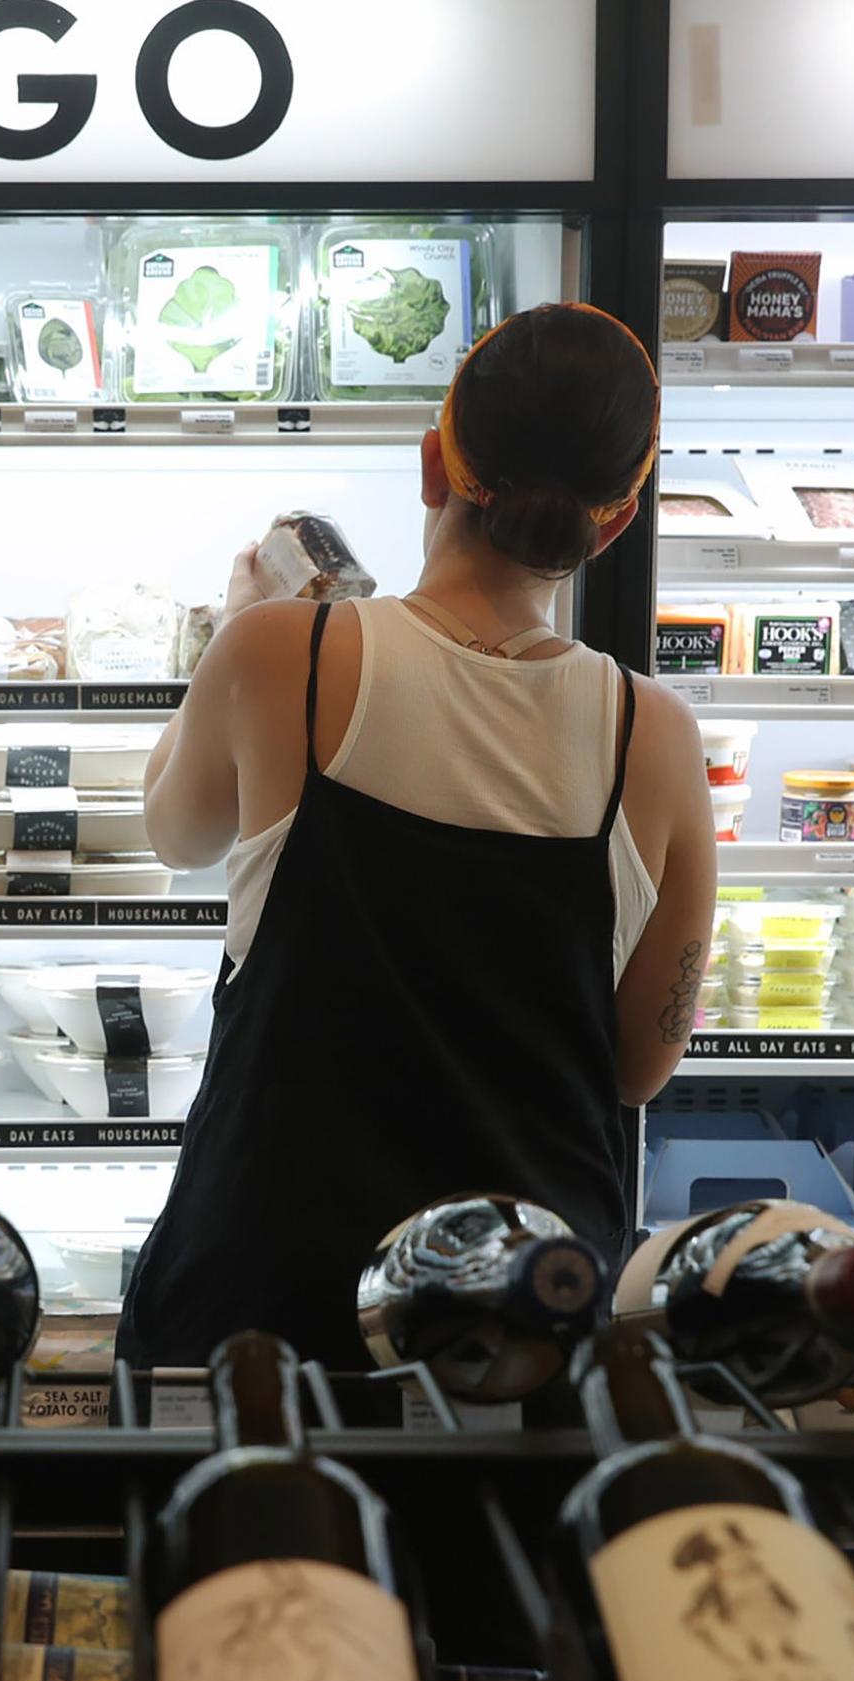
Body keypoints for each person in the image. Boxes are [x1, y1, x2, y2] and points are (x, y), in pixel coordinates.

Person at [118, 303, 719, 1372]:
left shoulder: (284, 655)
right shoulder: (656, 737)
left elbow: (176, 832)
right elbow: (640, 1065)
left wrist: (233, 631)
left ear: (433, 462)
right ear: (616, 522)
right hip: (527, 1310)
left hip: (268, 1296)